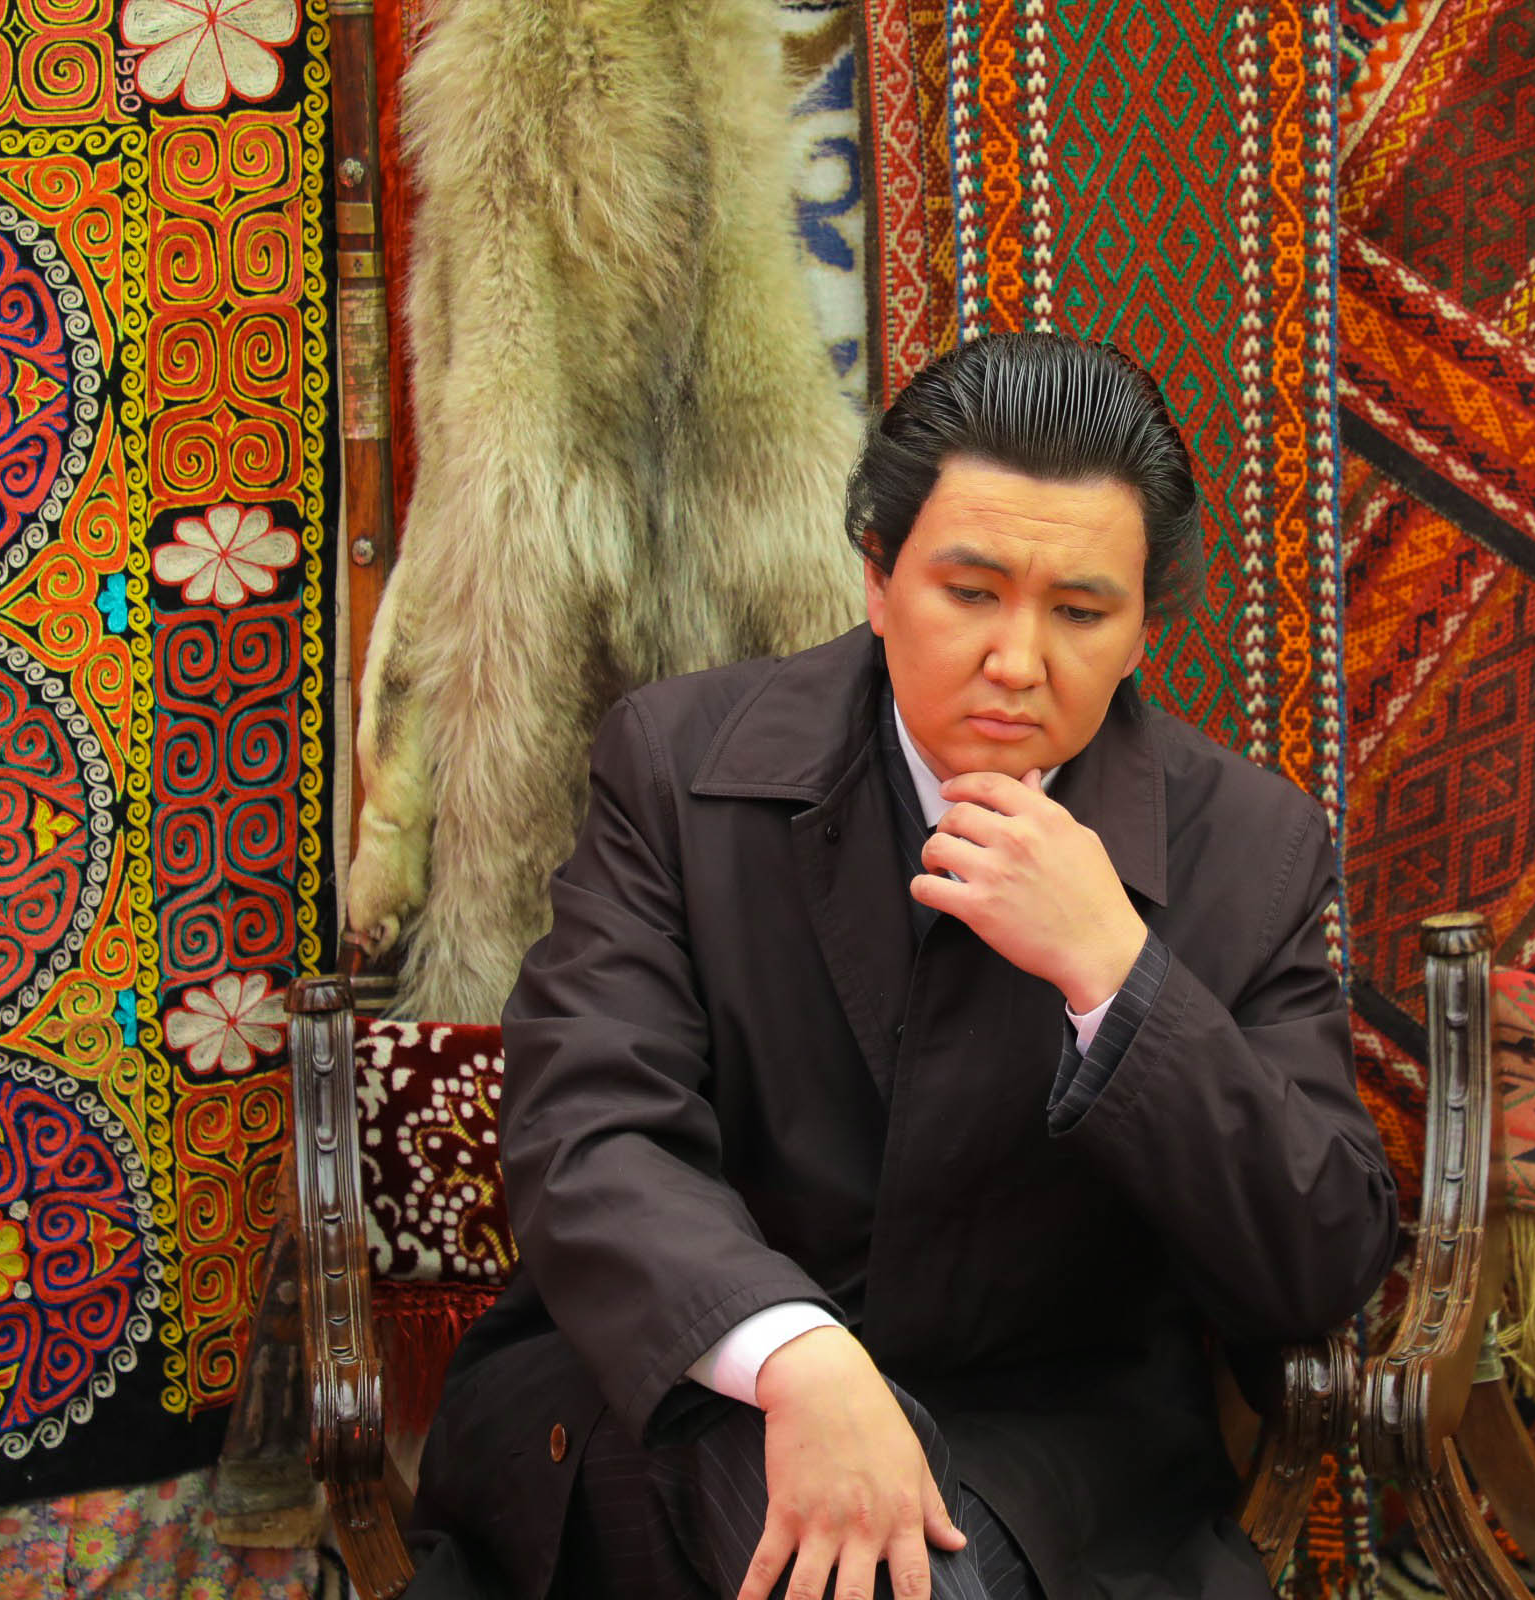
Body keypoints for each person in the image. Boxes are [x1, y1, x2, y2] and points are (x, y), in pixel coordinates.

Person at [407, 333, 1399, 1600]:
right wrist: (798, 1356)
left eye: (1081, 612)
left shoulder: (1250, 849)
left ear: (1145, 631)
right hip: (689, 1380)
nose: (1018, 662)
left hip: (1050, 1450)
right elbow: (591, 1131)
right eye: (970, 592)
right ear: (878, 577)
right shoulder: (679, 764)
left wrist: (1119, 979)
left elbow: (1315, 1258)